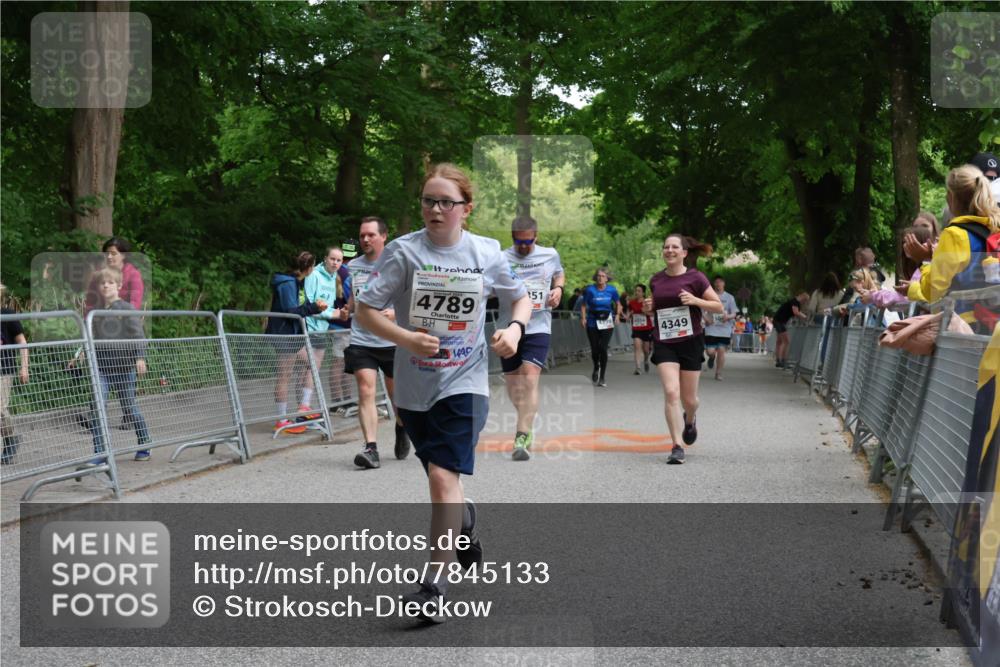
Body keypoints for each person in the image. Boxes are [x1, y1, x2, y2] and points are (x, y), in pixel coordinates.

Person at [354, 163, 531, 621]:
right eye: (428, 201)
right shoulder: (403, 252)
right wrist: (405, 338)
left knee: (439, 478)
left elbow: (521, 296)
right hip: (415, 386)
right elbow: (365, 310)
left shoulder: (486, 252)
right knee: (442, 479)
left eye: (445, 202)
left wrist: (514, 328)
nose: (435, 209)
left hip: (466, 380)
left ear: (465, 210)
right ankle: (465, 521)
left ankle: (434, 583)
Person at [642, 234, 723, 464]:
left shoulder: (696, 277)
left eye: (674, 247)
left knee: (690, 399)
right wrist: (650, 307)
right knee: (671, 392)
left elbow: (717, 305)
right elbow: (656, 309)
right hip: (664, 340)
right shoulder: (656, 280)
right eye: (666, 247)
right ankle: (677, 445)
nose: (669, 250)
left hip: (691, 341)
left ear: (684, 253)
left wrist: (696, 301)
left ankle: (690, 417)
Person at [343, 216, 411, 469]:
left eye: (371, 235)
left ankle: (401, 428)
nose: (365, 239)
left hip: (392, 339)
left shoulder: (398, 264)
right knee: (365, 389)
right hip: (362, 339)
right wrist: (347, 309)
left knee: (398, 398)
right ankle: (370, 448)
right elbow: (355, 296)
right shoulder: (354, 266)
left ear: (384, 236)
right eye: (362, 235)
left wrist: (395, 313)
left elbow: (412, 296)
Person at [497, 215, 564, 461]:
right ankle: (528, 417)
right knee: (514, 386)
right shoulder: (501, 257)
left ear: (536, 236)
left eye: (528, 241)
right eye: (518, 241)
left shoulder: (550, 254)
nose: (523, 246)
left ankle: (521, 435)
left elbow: (559, 274)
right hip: (508, 327)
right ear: (512, 237)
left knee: (529, 379)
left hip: (538, 326)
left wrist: (558, 289)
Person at [73, 268, 152, 467]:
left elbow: (138, 336)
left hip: (124, 368)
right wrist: (80, 354)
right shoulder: (95, 312)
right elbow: (89, 338)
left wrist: (140, 357)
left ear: (118, 285)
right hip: (101, 368)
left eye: (110, 282)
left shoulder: (125, 309)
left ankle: (145, 442)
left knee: (130, 408)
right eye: (102, 283)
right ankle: (100, 453)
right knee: (98, 408)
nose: (106, 285)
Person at [912, 164, 1000, 326]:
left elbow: (932, 292)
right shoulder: (996, 231)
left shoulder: (955, 235)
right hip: (994, 328)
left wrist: (923, 262)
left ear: (951, 197)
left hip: (963, 327)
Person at [266, 252, 328, 435]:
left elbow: (300, 304)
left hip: (293, 335)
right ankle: (281, 419)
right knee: (284, 375)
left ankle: (304, 407)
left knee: (312, 363)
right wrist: (313, 308)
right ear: (308, 268)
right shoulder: (286, 283)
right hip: (284, 335)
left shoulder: (297, 282)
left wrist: (313, 305)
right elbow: (291, 310)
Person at [300, 246, 351, 424]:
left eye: (338, 260)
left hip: (321, 328)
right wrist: (334, 314)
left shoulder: (333, 278)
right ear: (325, 258)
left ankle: (304, 407)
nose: (336, 263)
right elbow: (310, 304)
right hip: (308, 327)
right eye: (332, 259)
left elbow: (326, 306)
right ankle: (303, 407)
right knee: (309, 367)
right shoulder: (314, 275)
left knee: (312, 369)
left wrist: (338, 313)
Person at [579, 268, 623, 387]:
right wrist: (583, 318)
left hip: (607, 321)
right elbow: (583, 305)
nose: (600, 278)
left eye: (603, 276)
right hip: (593, 321)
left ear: (607, 278)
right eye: (598, 276)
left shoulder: (612, 290)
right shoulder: (590, 290)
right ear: (595, 277)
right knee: (594, 349)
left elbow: (618, 304)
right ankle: (596, 367)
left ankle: (602, 376)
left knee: (603, 348)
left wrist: (618, 315)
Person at [0, 284, 28, 464]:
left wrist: (24, 366)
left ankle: (11, 439)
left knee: (0, 409)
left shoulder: (7, 315)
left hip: (3, 370)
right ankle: (11, 439)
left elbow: (22, 341)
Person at [84, 237, 144, 314]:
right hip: (100, 319)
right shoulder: (98, 274)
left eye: (113, 253)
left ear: (124, 255)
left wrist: (126, 318)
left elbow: (135, 302)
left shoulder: (133, 274)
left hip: (124, 318)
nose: (109, 256)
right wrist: (88, 320)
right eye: (107, 253)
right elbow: (90, 300)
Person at [703, 276, 736, 381]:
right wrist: (706, 319)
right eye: (716, 282)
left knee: (721, 350)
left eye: (720, 282)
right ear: (713, 284)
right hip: (711, 327)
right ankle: (712, 358)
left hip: (724, 328)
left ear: (724, 284)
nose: (718, 284)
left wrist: (728, 317)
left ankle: (718, 373)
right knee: (710, 351)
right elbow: (702, 309)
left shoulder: (730, 297)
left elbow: (734, 313)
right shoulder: (709, 296)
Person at [773, 292, 809, 368]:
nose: (805, 303)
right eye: (805, 301)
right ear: (803, 298)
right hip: (780, 321)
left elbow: (795, 314)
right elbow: (796, 312)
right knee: (786, 341)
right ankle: (783, 361)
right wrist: (806, 317)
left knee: (779, 342)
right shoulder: (795, 302)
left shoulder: (794, 302)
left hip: (778, 320)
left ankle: (778, 361)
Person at [628, 284, 654, 375]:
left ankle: (646, 360)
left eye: (639, 291)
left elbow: (653, 314)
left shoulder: (647, 302)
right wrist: (629, 316)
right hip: (636, 328)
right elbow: (630, 312)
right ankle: (638, 368)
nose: (637, 292)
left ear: (643, 293)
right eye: (636, 290)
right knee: (637, 346)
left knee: (646, 350)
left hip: (646, 328)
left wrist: (645, 312)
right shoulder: (631, 302)